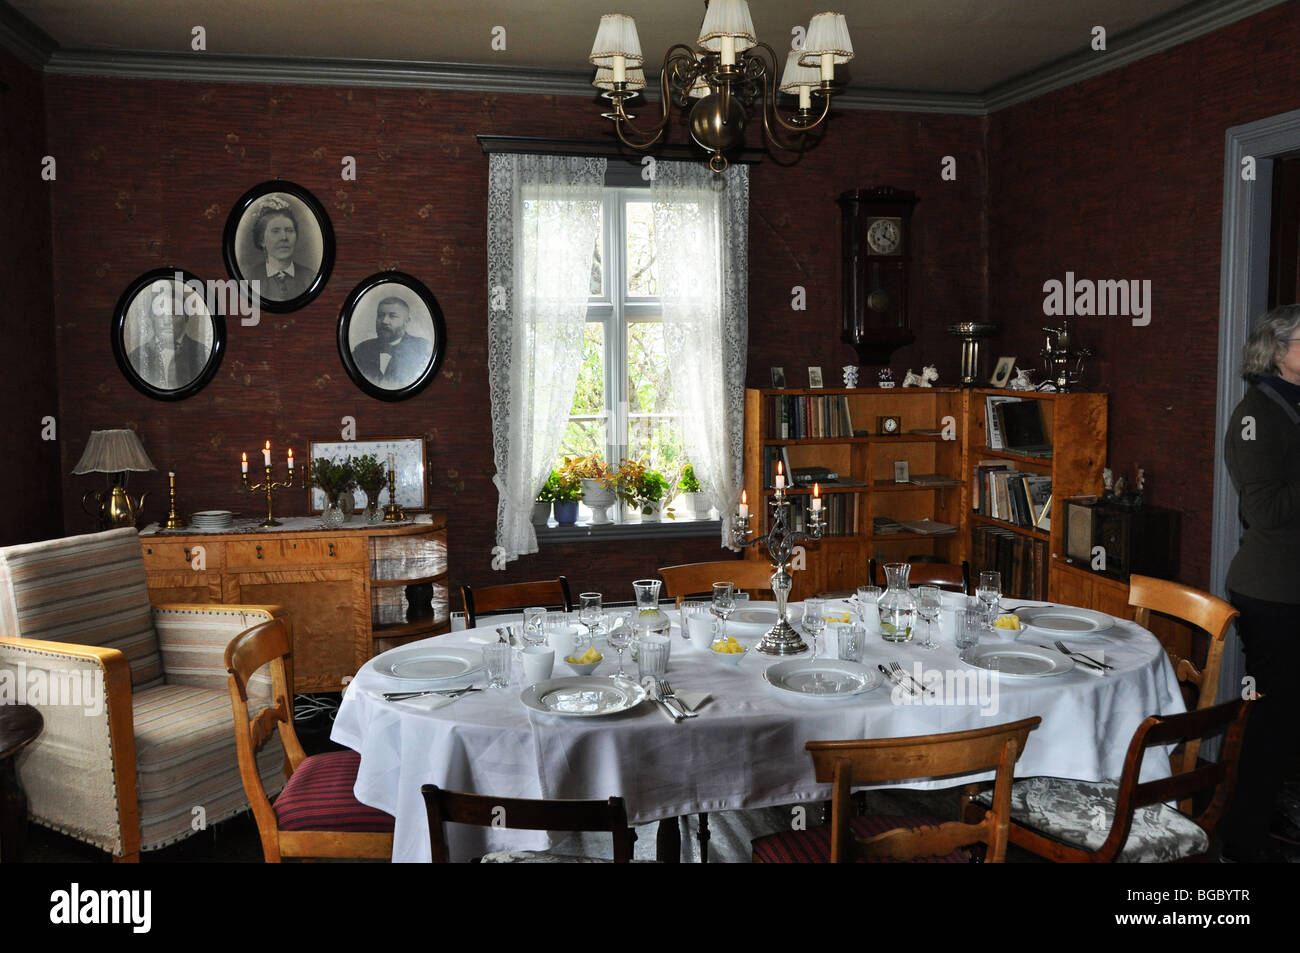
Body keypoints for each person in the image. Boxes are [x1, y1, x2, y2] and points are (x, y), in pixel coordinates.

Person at [1221, 304, 1300, 862]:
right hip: (1274, 593)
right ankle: (1241, 843)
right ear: (1278, 351)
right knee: (1272, 722)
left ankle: (1280, 817)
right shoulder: (1257, 414)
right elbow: (1267, 510)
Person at [127, 282, 209, 389]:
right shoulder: (135, 357)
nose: (167, 322)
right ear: (152, 319)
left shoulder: (203, 354)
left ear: (186, 318)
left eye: (174, 314)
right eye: (161, 314)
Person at [352, 295, 432, 390]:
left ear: (406, 321)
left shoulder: (423, 349)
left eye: (392, 316)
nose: (384, 321)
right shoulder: (361, 350)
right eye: (381, 315)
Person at [245, 196, 314, 301]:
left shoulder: (311, 278)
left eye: (289, 230)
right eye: (275, 231)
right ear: (262, 240)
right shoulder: (248, 279)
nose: (284, 237)